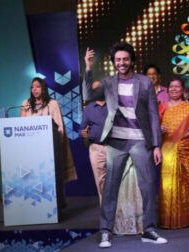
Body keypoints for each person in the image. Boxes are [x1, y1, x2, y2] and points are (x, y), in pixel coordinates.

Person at [83, 42, 167, 248]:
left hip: (140, 140)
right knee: (110, 188)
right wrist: (87, 68)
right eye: (118, 60)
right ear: (114, 62)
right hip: (116, 141)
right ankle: (105, 231)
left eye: (125, 59)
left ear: (132, 60)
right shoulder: (108, 82)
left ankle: (149, 230)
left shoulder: (144, 81)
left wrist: (156, 145)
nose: (121, 63)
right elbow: (87, 96)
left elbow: (153, 115)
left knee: (147, 186)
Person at [80, 95, 143, 235]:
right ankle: (106, 220)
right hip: (96, 148)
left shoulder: (115, 106)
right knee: (101, 182)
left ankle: (119, 217)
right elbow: (82, 129)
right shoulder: (89, 108)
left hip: (115, 147)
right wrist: (83, 134)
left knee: (116, 182)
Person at [20, 77, 77, 208]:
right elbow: (20, 125)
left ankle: (56, 204)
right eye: (32, 87)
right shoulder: (26, 103)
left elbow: (59, 127)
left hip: (49, 149)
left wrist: (58, 145)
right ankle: (35, 204)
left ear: (43, 88)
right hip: (31, 149)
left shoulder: (52, 104)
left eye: (37, 86)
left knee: (52, 178)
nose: (34, 89)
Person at [158, 76, 189, 229]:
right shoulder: (161, 107)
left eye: (177, 86)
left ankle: (186, 219)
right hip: (167, 148)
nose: (174, 89)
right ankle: (167, 219)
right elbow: (153, 125)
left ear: (183, 89)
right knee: (167, 184)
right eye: (171, 86)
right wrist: (158, 129)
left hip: (187, 147)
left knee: (187, 183)